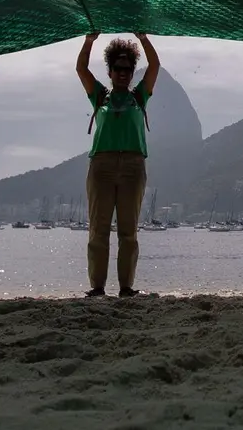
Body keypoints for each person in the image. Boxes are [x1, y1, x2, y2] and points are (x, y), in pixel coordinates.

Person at [76, 32, 159, 297]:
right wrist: (89, 41)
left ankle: (126, 287)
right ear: (110, 71)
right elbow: (81, 68)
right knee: (98, 228)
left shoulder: (140, 97)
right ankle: (97, 287)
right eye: (118, 68)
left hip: (134, 165)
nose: (123, 73)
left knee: (128, 230)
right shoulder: (99, 96)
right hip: (102, 164)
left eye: (128, 68)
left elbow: (155, 66)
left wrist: (142, 38)